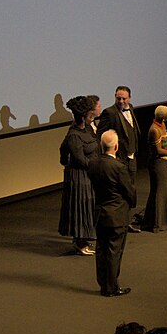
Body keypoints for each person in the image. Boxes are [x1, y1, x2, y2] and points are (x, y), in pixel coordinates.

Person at [89, 130, 136, 296]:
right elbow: (129, 191)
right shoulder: (119, 167)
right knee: (114, 252)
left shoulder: (93, 164)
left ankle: (103, 284)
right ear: (116, 146)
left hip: (100, 213)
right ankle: (111, 287)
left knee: (101, 250)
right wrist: (132, 203)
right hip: (117, 215)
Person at [61, 95, 101, 254]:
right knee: (81, 208)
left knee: (89, 206)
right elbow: (79, 158)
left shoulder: (87, 129)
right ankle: (79, 243)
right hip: (80, 176)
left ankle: (83, 240)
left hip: (89, 174)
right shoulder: (74, 135)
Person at [99, 86, 141, 218]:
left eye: (124, 98)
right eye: (118, 98)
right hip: (118, 159)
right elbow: (101, 135)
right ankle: (119, 220)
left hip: (131, 157)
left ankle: (127, 220)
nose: (121, 101)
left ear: (129, 98)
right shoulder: (109, 112)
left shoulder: (131, 108)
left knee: (130, 189)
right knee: (119, 191)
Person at [144, 105, 167, 232]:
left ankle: (164, 221)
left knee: (164, 191)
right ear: (164, 116)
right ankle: (156, 222)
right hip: (157, 163)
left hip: (164, 161)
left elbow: (165, 143)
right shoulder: (154, 130)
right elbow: (157, 150)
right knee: (159, 192)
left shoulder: (162, 126)